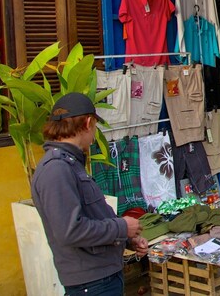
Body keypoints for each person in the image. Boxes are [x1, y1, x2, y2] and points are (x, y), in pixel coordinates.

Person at [31, 93, 149, 295]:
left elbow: (92, 215)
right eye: (95, 127)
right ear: (87, 123)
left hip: (101, 277)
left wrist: (126, 237)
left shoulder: (70, 163)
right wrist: (121, 226)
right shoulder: (56, 169)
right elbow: (70, 230)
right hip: (92, 283)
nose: (94, 135)